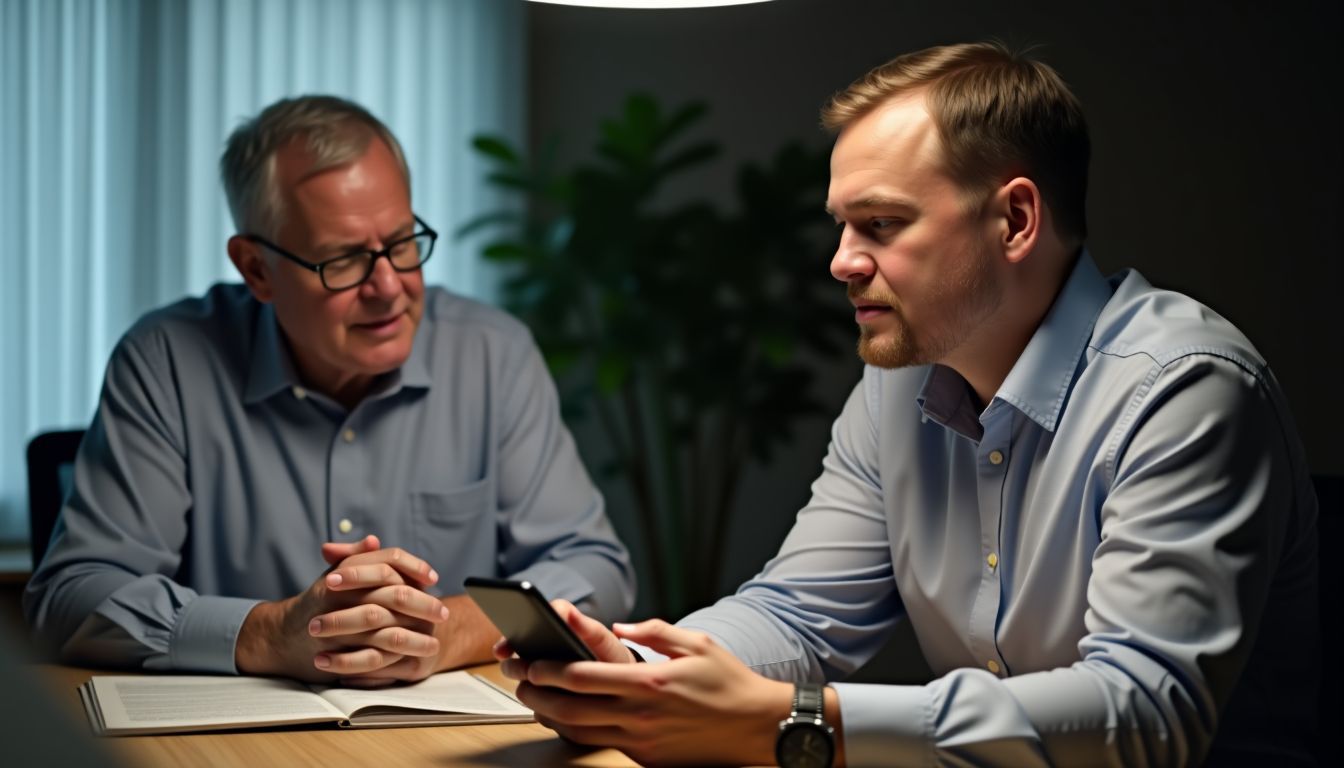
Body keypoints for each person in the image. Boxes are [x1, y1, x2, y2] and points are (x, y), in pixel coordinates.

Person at [495, 42, 1319, 767]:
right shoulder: (899, 382)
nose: (841, 263)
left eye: (881, 224)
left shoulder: (1187, 389)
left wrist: (798, 721)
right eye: (842, 226)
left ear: (1017, 219)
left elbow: (1144, 716)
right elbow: (800, 614)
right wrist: (639, 674)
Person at [24, 95, 635, 685]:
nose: (389, 287)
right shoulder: (166, 359)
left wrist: (445, 633)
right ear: (256, 269)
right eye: (342, 261)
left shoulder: (492, 353)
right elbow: (70, 597)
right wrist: (269, 634)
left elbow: (595, 568)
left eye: (401, 244)